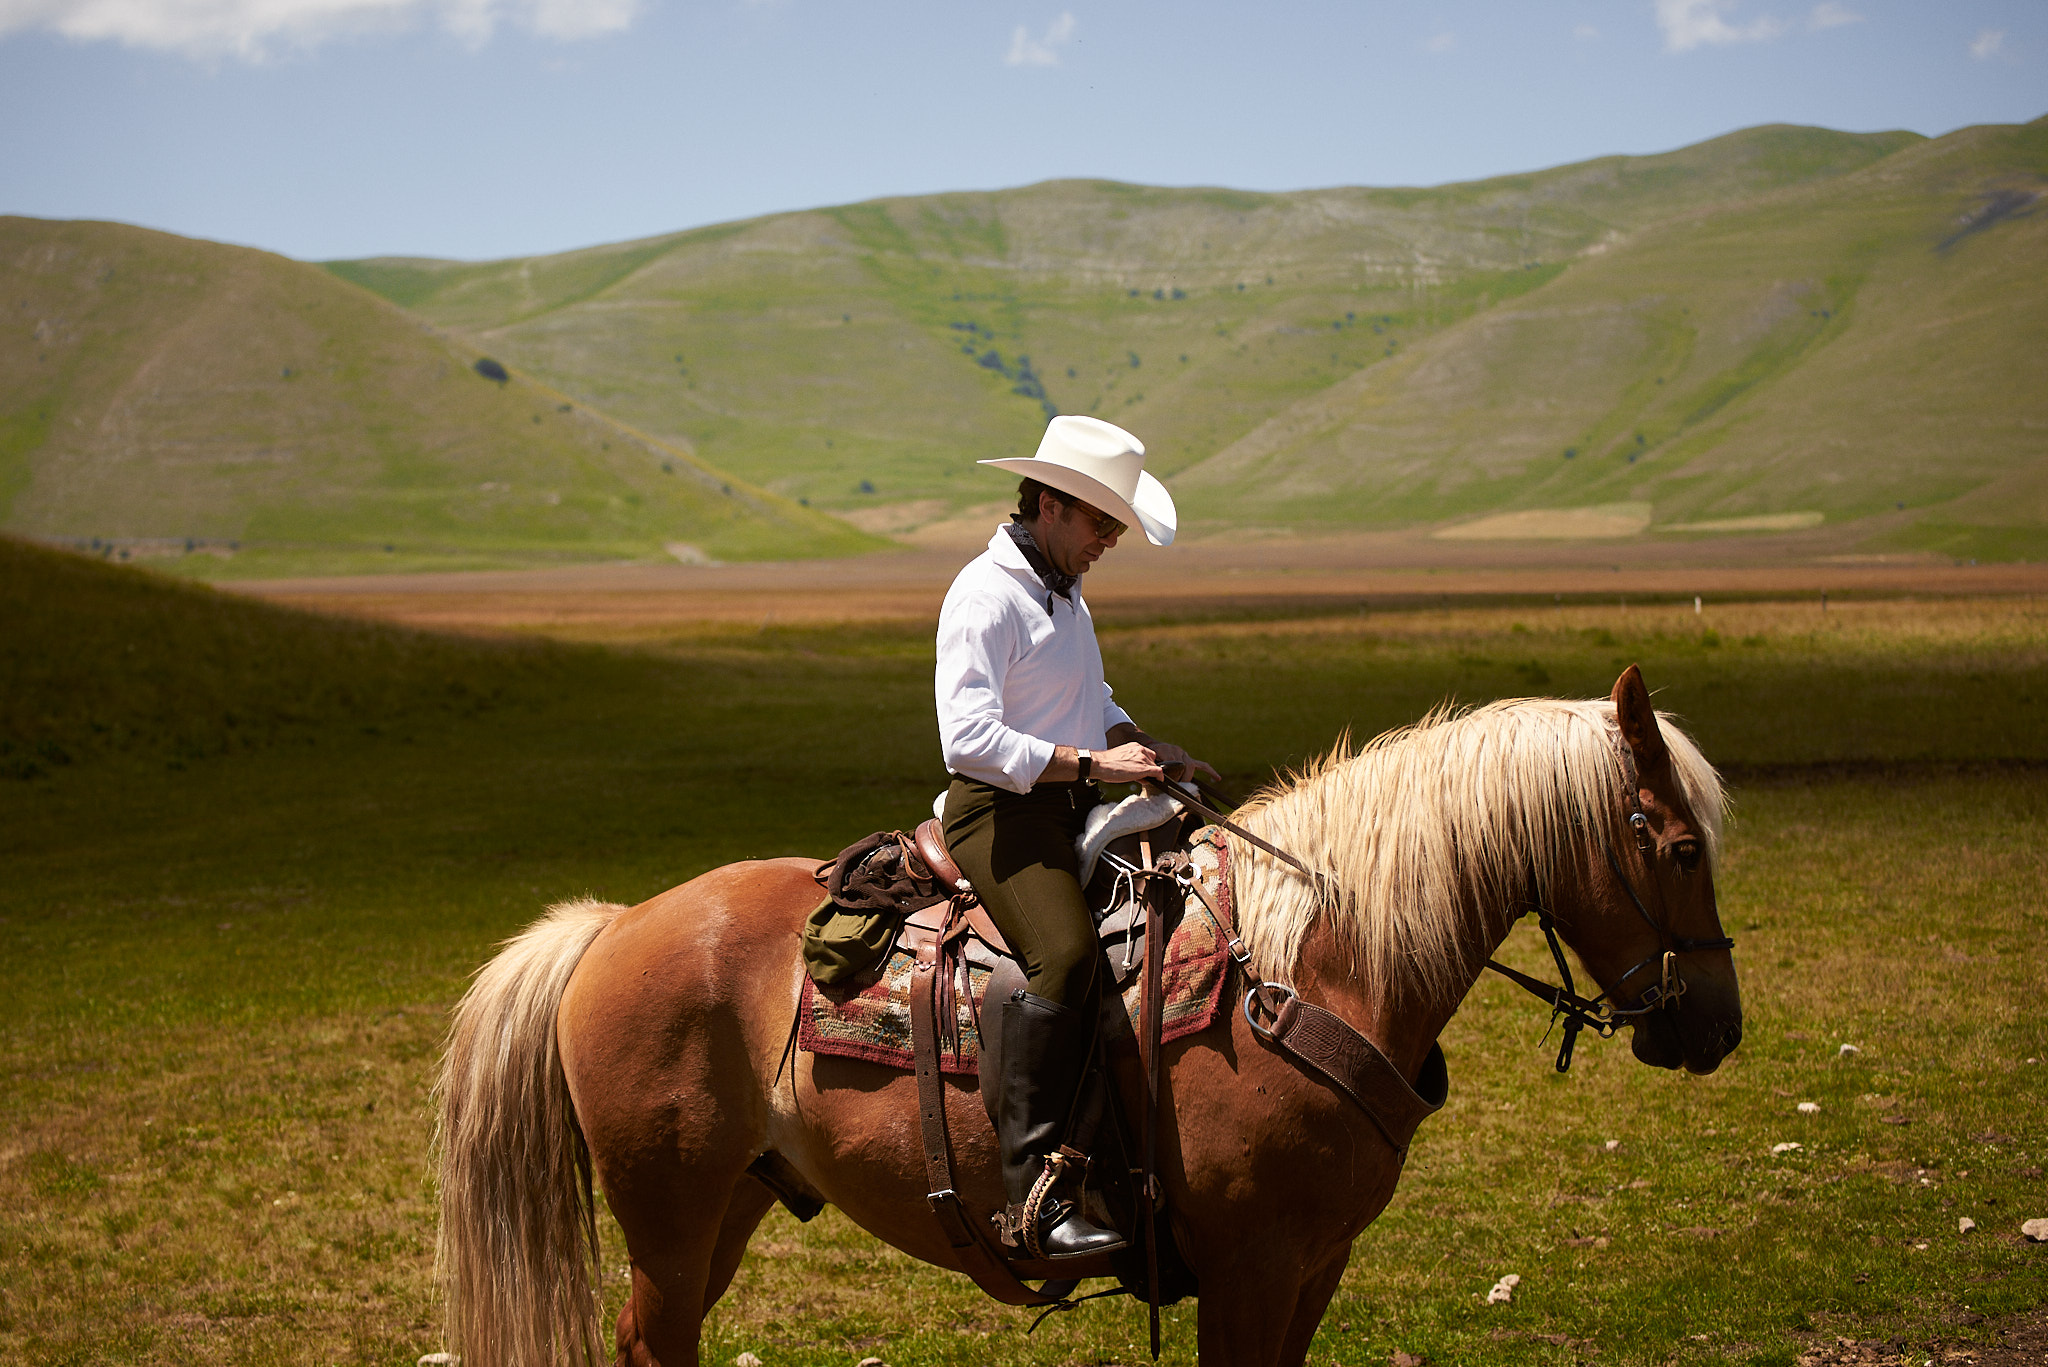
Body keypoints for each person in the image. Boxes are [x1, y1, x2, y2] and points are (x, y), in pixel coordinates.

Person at [935, 414, 1219, 1261]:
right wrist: (1096, 764)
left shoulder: (1063, 591)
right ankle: (1034, 1195)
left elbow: (1088, 696)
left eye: (1117, 528)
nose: (1109, 542)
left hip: (1067, 803)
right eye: (1102, 523)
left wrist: (1143, 742)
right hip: (1000, 814)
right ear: (1051, 504)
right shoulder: (985, 594)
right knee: (1064, 955)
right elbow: (968, 739)